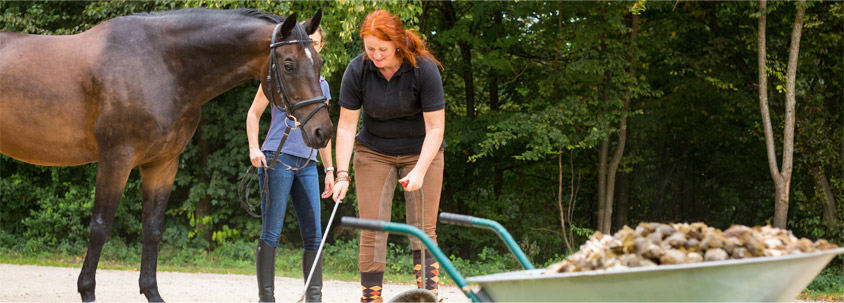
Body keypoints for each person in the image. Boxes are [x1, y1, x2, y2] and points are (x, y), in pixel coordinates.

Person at [331, 10, 445, 303]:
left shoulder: (423, 69)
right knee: (372, 228)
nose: (376, 55)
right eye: (370, 49)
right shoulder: (357, 70)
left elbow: (435, 129)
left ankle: (427, 296)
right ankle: (371, 298)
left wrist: (419, 171)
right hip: (374, 150)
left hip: (422, 150)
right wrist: (341, 174)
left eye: (382, 49)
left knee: (422, 228)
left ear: (396, 43)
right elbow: (345, 127)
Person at [246, 25, 333, 303]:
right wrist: (253, 148)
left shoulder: (322, 86)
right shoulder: (280, 75)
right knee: (271, 231)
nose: (313, 47)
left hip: (308, 163)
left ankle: (314, 298)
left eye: (317, 44)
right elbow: (253, 114)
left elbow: (323, 133)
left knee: (314, 235)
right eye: (309, 42)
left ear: (322, 47)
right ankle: (266, 299)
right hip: (278, 157)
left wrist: (329, 170)